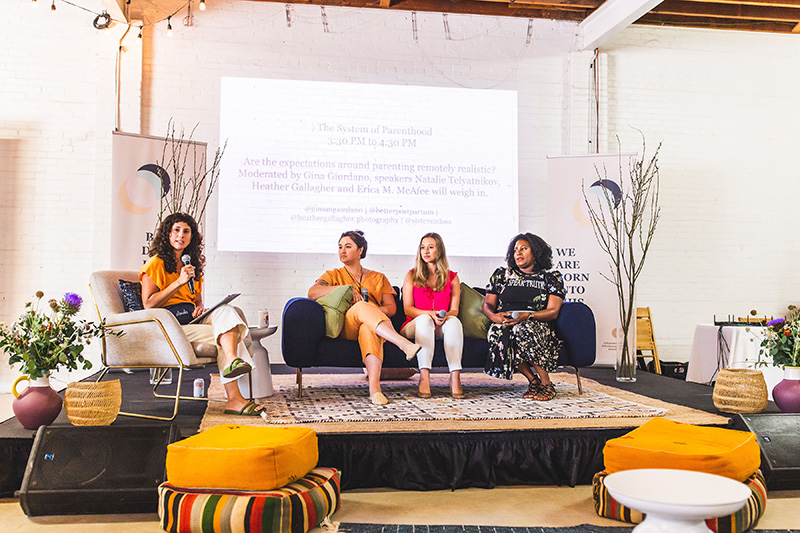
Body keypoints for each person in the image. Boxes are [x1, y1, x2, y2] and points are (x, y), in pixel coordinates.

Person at [139, 212, 266, 416]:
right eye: (176, 230)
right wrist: (178, 282)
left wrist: (200, 307)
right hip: (170, 325)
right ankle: (234, 399)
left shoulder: (192, 266)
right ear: (168, 235)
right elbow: (148, 304)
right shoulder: (155, 263)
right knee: (227, 336)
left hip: (192, 318)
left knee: (227, 311)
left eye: (186, 231)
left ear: (192, 237)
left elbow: (196, 299)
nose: (181, 235)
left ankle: (232, 360)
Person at [308, 230, 422, 405]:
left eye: (348, 246)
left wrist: (371, 310)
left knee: (368, 327)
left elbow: (391, 309)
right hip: (346, 326)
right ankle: (403, 344)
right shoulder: (332, 275)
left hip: (374, 325)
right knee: (361, 306)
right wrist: (344, 289)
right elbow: (312, 292)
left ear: (360, 250)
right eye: (340, 247)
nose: (342, 251)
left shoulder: (378, 277)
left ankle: (375, 389)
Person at [482, 233, 565, 401]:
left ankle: (547, 383)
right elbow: (488, 304)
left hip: (535, 322)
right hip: (506, 321)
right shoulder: (501, 276)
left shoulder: (550, 278)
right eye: (515, 250)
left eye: (523, 249)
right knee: (498, 332)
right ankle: (532, 380)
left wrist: (527, 316)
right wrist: (494, 316)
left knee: (522, 329)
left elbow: (553, 311)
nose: (518, 253)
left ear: (535, 252)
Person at [400, 233, 464, 399]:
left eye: (430, 247)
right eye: (422, 247)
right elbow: (408, 309)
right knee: (424, 320)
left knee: (454, 322)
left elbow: (454, 310)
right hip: (414, 324)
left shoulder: (453, 278)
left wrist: (443, 317)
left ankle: (455, 376)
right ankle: (424, 376)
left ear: (439, 250)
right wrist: (430, 314)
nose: (425, 251)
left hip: (440, 324)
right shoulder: (411, 275)